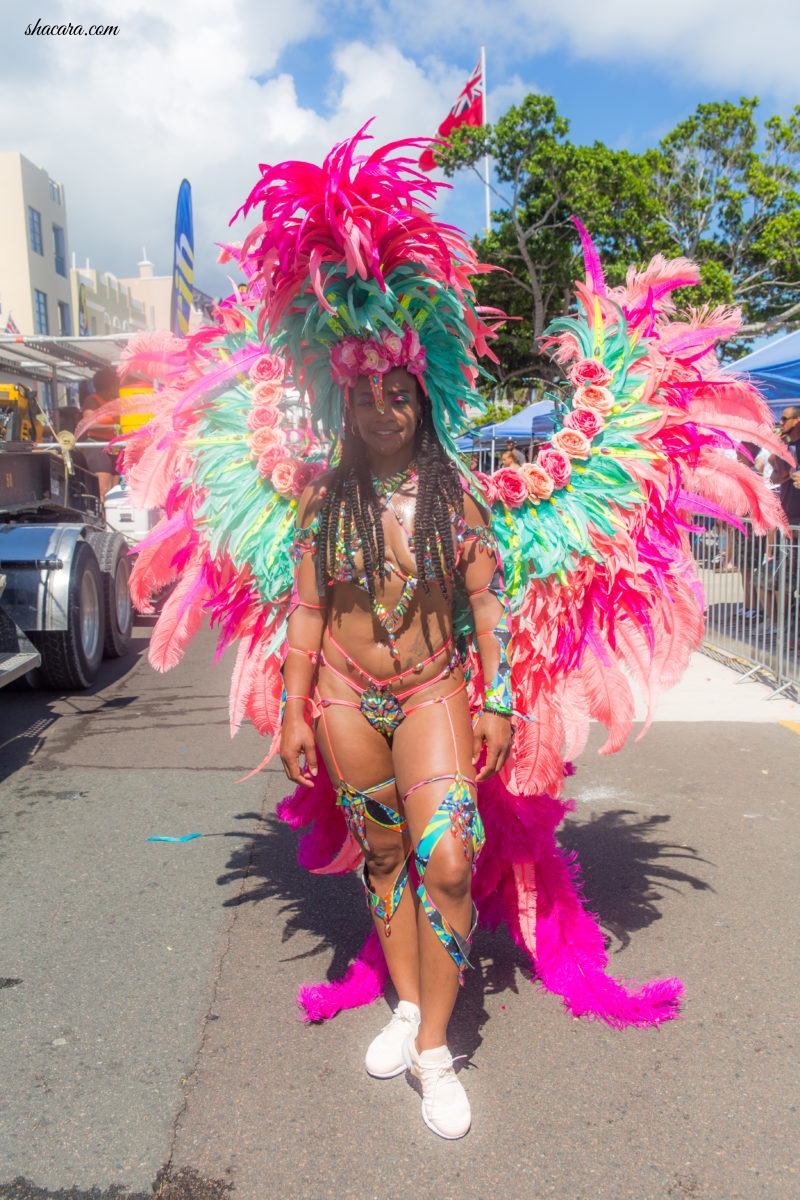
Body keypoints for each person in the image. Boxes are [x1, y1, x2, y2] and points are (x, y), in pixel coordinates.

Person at [280, 364, 513, 1139]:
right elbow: (309, 611)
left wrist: (499, 699)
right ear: (344, 406)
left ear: (423, 405)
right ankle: (411, 1006)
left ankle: (436, 1054)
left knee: (447, 862)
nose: (384, 412)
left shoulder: (456, 497)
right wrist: (293, 712)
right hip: (346, 699)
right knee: (382, 858)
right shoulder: (324, 499)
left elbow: (485, 603)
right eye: (366, 398)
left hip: (432, 693)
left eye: (400, 397)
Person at [80, 366, 121, 500]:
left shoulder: (113, 402)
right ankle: (103, 518)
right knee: (103, 487)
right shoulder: (92, 400)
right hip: (97, 444)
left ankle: (112, 517)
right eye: (116, 384)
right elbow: (89, 423)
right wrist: (114, 427)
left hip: (114, 446)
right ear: (109, 385)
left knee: (115, 488)